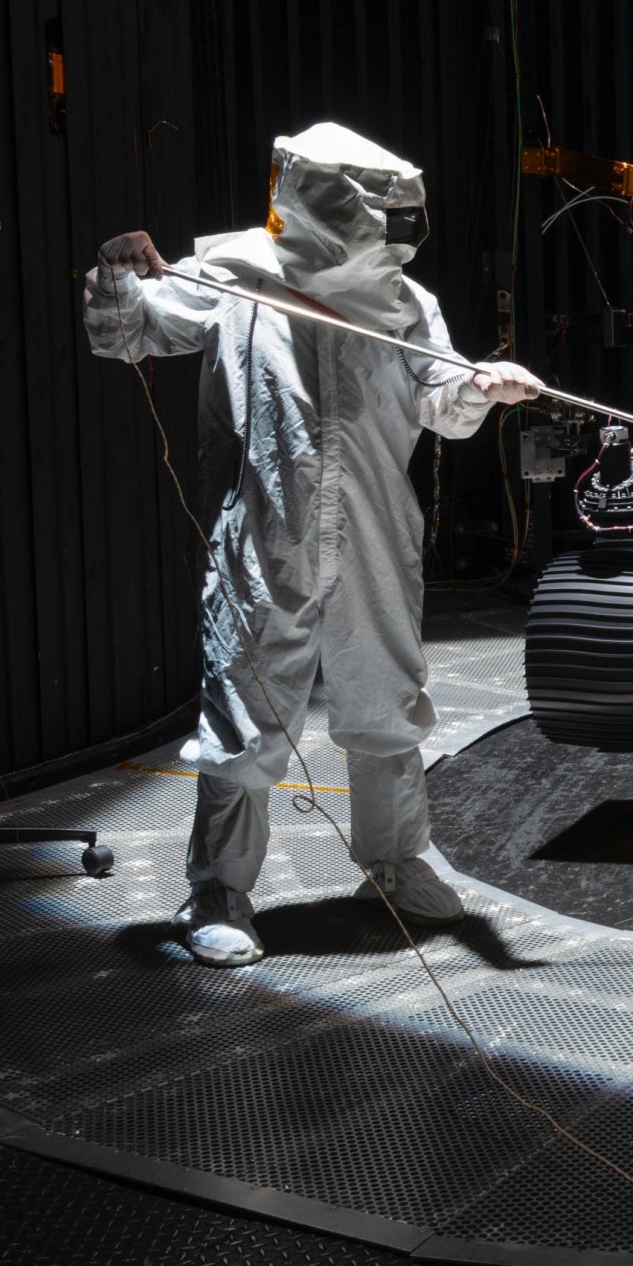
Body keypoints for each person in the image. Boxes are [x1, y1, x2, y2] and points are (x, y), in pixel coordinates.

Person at [84, 121, 540, 966]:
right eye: (382, 220)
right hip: (266, 535)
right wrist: (118, 272)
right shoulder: (234, 278)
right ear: (329, 206)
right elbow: (126, 333)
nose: (396, 240)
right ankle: (217, 889)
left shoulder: (404, 301)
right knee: (248, 715)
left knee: (384, 705)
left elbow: (442, 397)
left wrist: (483, 383)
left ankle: (396, 861)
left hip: (374, 532)